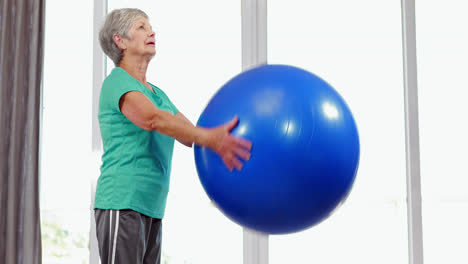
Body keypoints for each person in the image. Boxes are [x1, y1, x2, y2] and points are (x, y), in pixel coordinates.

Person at [93, 8, 252, 264]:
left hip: (152, 206)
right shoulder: (118, 82)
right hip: (122, 201)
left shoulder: (157, 94)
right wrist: (211, 138)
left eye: (150, 26)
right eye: (141, 27)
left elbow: (190, 135)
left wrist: (232, 129)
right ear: (119, 40)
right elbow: (152, 119)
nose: (151, 31)